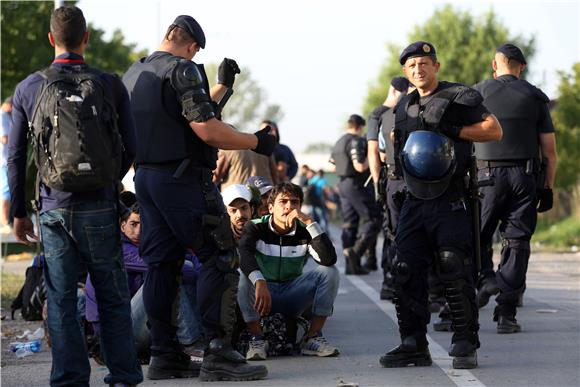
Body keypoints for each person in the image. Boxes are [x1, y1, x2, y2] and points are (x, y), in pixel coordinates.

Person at [122, 14, 275, 381]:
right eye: (194, 53)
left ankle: (164, 354)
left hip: (147, 179)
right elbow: (205, 130)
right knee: (219, 255)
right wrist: (256, 140)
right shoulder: (183, 70)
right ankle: (218, 352)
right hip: (182, 181)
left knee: (163, 264)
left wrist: (221, 88)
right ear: (191, 46)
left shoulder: (135, 74)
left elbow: (178, 117)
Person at [7, 6, 143, 386]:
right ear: (87, 38)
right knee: (113, 296)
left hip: (54, 209)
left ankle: (69, 380)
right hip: (100, 205)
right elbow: (133, 146)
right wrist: (108, 180)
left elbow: (16, 156)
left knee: (63, 299)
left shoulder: (30, 87)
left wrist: (18, 212)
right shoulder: (110, 84)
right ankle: (124, 377)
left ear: (51, 39)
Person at [379, 41, 502, 370]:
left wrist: (457, 130)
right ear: (405, 72)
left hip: (451, 198)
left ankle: (465, 342)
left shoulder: (458, 97)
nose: (418, 69)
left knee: (453, 265)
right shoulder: (403, 106)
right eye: (411, 66)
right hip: (414, 200)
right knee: (403, 268)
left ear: (436, 66)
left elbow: (494, 130)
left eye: (423, 63)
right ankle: (412, 343)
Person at [473, 43, 558, 333]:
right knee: (517, 242)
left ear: (494, 66)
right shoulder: (535, 96)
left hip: (485, 178)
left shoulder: (478, 92)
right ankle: (507, 313)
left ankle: (486, 280)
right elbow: (550, 151)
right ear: (521, 67)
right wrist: (548, 188)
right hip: (525, 177)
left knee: (476, 236)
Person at [84, 203, 205, 363]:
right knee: (168, 275)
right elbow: (172, 266)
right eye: (133, 224)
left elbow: (191, 255)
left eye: (144, 224)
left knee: (178, 270)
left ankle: (201, 339)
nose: (139, 231)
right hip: (115, 334)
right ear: (122, 226)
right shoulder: (116, 250)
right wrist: (200, 273)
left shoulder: (148, 246)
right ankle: (191, 343)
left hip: (138, 325)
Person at [237, 182, 340, 360]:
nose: (289, 207)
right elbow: (244, 256)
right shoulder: (255, 226)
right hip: (263, 295)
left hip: (292, 293)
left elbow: (329, 259)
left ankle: (312, 337)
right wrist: (259, 281)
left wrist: (310, 223)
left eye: (295, 202)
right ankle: (257, 339)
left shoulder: (305, 230)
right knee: (242, 275)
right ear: (270, 207)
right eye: (283, 201)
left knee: (330, 272)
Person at [366, 77, 411, 299]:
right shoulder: (378, 114)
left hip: (391, 177)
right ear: (395, 91)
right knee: (393, 231)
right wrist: (376, 184)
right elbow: (373, 152)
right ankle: (390, 281)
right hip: (396, 177)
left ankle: (390, 282)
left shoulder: (380, 115)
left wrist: (377, 185)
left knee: (393, 231)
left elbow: (378, 154)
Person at [330, 114, 381, 275]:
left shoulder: (339, 142)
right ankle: (356, 252)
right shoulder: (356, 140)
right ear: (360, 127)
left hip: (342, 184)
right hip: (355, 184)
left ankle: (351, 265)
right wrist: (372, 158)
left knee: (350, 223)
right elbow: (359, 166)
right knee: (374, 218)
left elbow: (333, 166)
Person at [213, 146, 278, 189]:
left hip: (237, 199)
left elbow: (214, 178)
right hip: (264, 195)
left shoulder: (227, 149)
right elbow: (275, 175)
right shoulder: (264, 147)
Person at [1, 96, 13, 230]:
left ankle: (4, 222)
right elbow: (4, 138)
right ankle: (4, 223)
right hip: (4, 161)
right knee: (6, 191)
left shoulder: (5, 116)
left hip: (4, 160)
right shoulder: (3, 116)